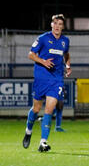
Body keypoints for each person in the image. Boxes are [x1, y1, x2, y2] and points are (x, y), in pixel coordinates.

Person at [22, 14, 71, 152]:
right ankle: (28, 131)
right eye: (55, 23)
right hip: (41, 78)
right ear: (51, 25)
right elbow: (31, 54)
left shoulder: (65, 41)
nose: (57, 26)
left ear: (62, 26)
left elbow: (66, 54)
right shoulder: (43, 38)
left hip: (56, 79)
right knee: (36, 109)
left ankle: (43, 142)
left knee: (49, 110)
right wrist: (43, 62)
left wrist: (67, 65)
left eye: (60, 24)